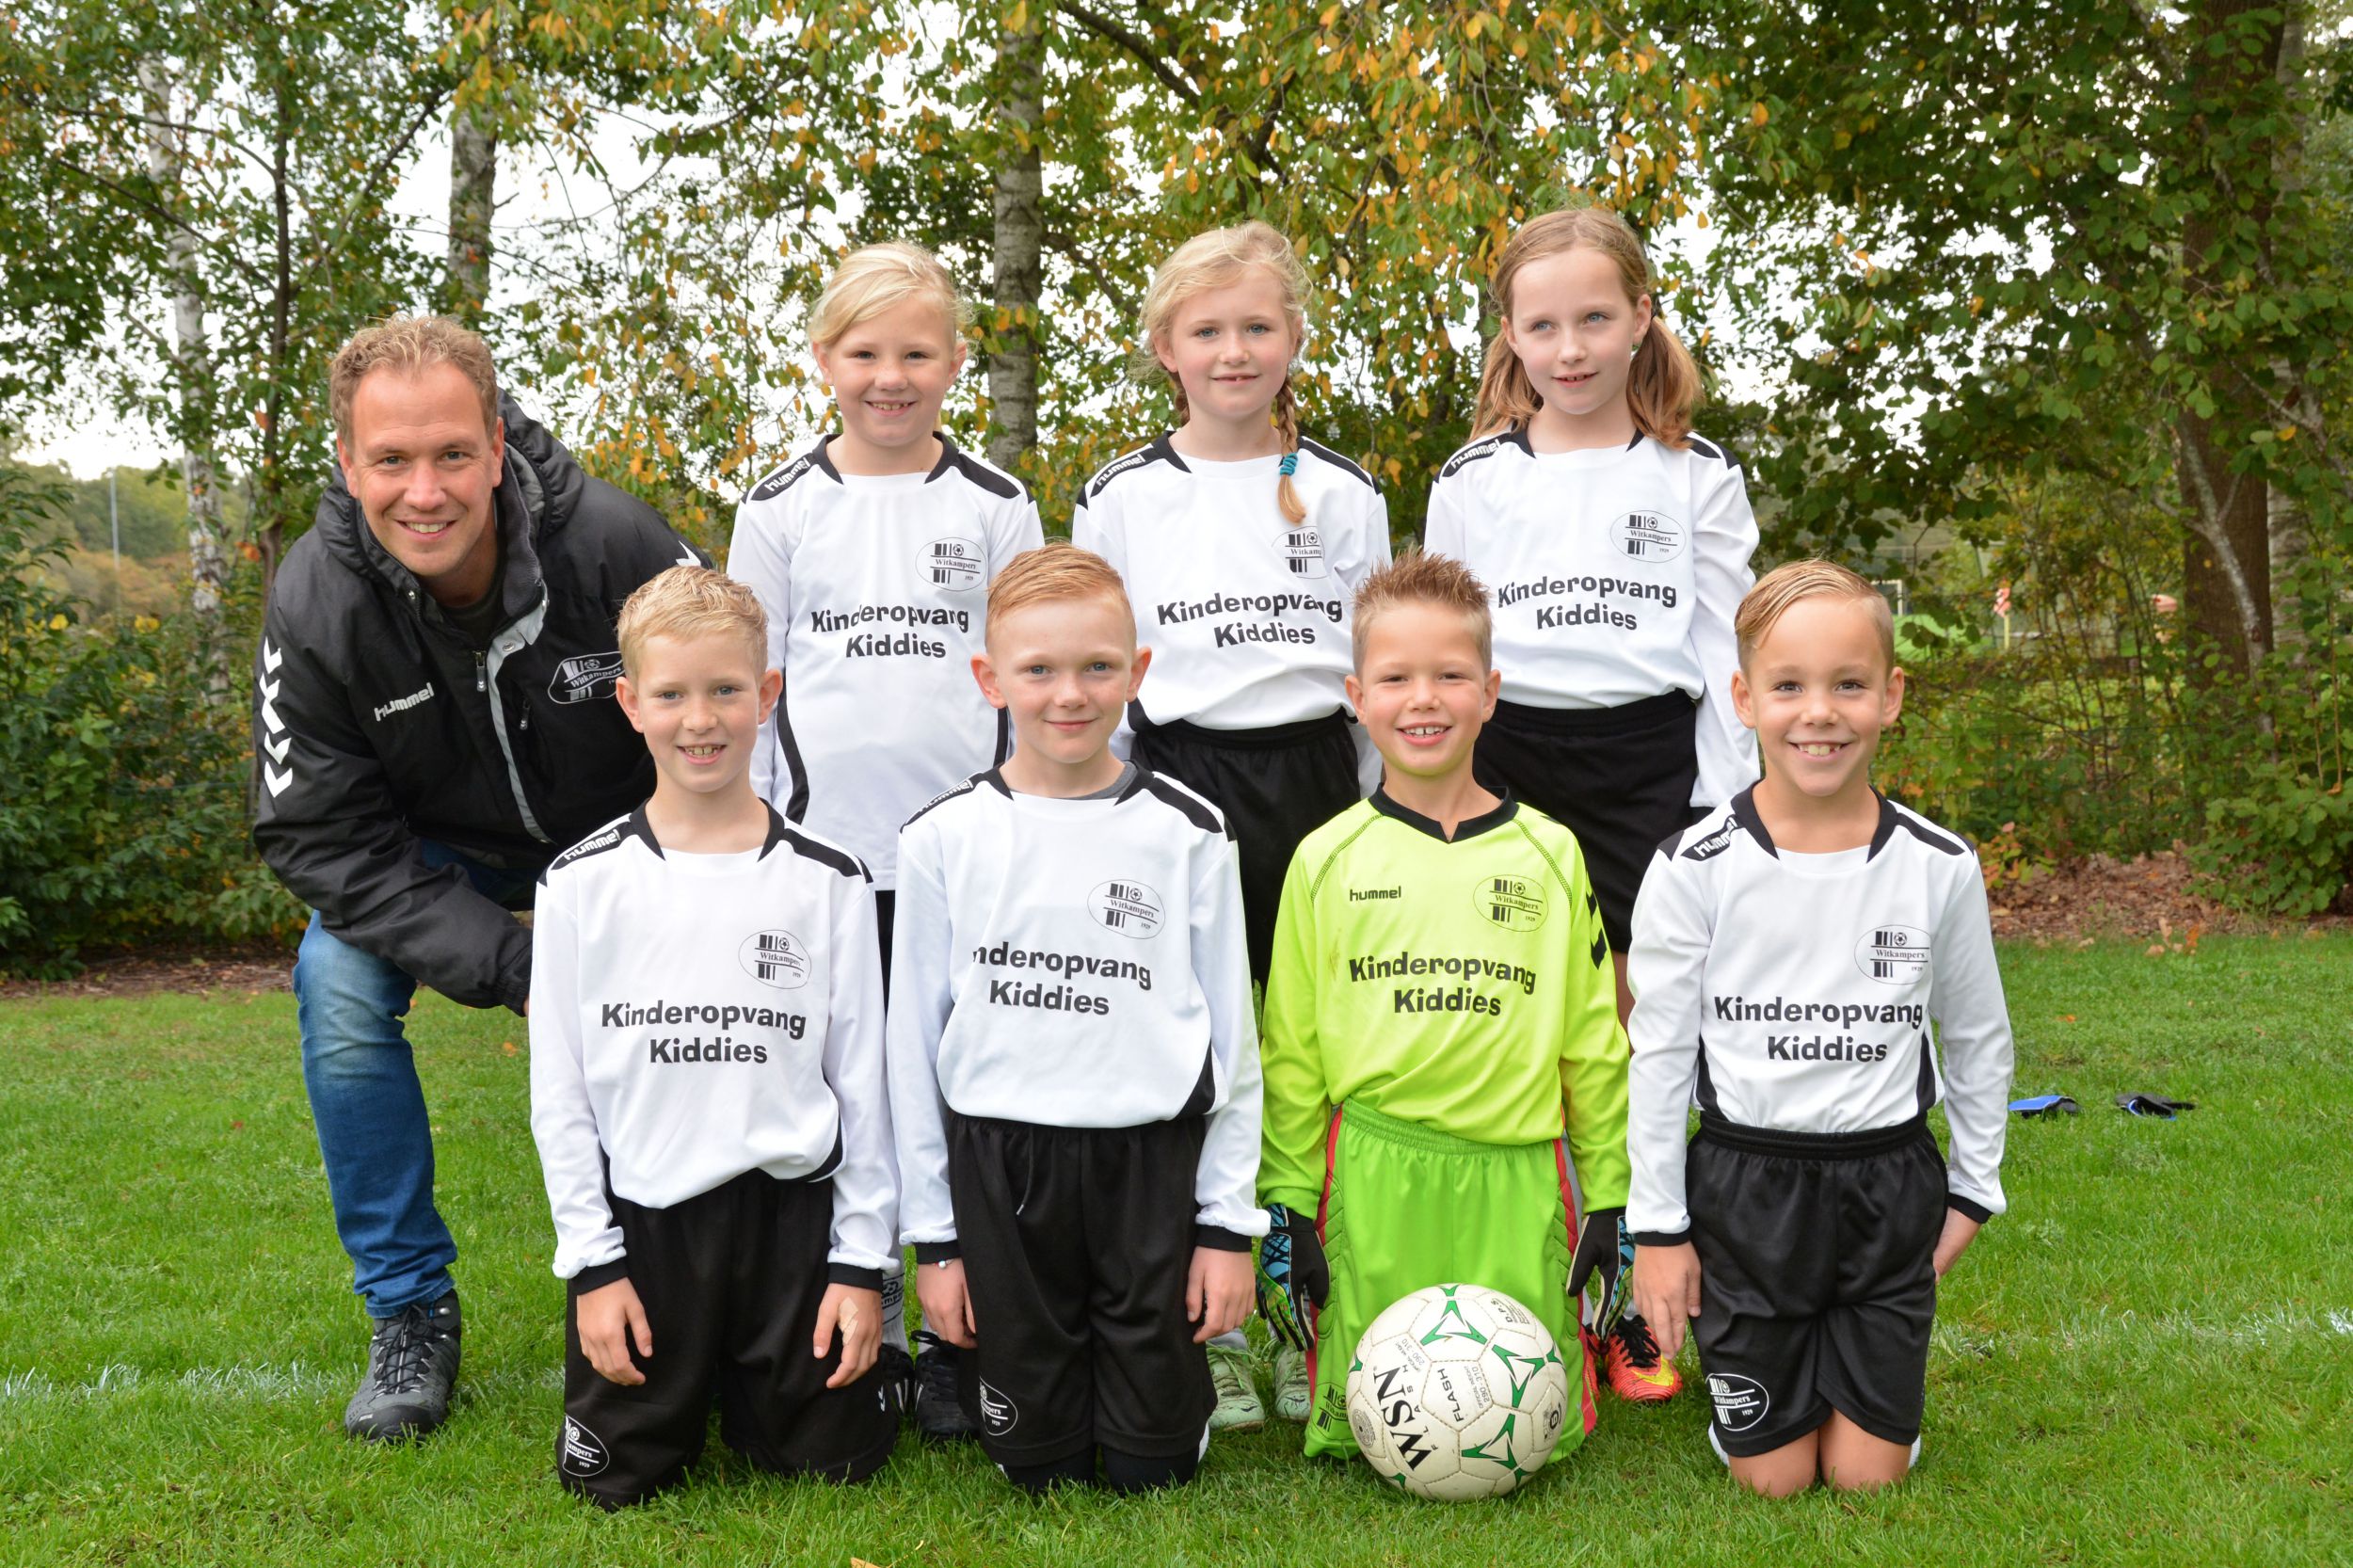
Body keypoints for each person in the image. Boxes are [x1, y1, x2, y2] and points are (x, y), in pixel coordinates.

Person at [250, 316, 707, 1442]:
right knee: (337, 987)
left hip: (623, 836)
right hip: (434, 853)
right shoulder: (315, 599)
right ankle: (408, 1307)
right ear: (347, 462)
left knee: (723, 977)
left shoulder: (616, 543)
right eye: (391, 460)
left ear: (498, 446)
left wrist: (692, 889)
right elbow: (321, 835)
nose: (426, 491)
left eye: (453, 453)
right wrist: (520, 966)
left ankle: (705, 1266)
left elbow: (730, 704)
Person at [1422, 203, 1760, 1404]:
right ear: (1510, 336)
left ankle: (1640, 1302)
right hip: (1512, 764)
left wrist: (1721, 813)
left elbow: (1723, 653)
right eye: (1543, 325)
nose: (1569, 349)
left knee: (1640, 1040)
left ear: (1640, 319)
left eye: (1594, 320)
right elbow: (1443, 652)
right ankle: (1528, 1287)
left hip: (1650, 774)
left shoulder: (1696, 473)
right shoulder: (1471, 478)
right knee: (1513, 1037)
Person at [1071, 219, 1390, 1429]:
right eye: (1207, 330)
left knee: (1317, 1060)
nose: (1234, 349)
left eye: (1258, 326)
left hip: (1318, 788)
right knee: (1190, 1056)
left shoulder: (1347, 492)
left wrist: (1377, 812)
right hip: (1178, 785)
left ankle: (1313, 1311)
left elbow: (1376, 673)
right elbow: (1098, 665)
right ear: (1167, 347)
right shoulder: (1121, 494)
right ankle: (1206, 1323)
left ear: (1294, 336)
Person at [728, 241, 1043, 1438]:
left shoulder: (996, 505)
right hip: (831, 860)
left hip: (963, 864)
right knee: (855, 1091)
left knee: (963, 1090)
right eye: (865, 352)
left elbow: (1031, 676)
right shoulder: (778, 509)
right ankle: (880, 1325)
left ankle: (966, 1331)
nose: (891, 376)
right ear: (824, 360)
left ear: (956, 361)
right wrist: (761, 844)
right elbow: (751, 689)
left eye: (916, 351)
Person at [1625, 561, 2014, 1496]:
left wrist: (1972, 1190)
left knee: (1864, 1478)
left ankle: (1860, 1381)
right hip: (1745, 1191)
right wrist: (1659, 1229)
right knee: (1774, 1481)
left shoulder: (1939, 865)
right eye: (1788, 686)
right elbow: (1659, 1057)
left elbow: (1977, 1037)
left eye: (1848, 684)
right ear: (1742, 699)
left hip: (1887, 1185)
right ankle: (1760, 1396)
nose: (1819, 714)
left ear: (1891, 696)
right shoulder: (1693, 867)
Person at [887, 541, 1263, 1496]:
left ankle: (1167, 1397)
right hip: (1004, 1168)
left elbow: (1233, 1044)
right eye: (1039, 670)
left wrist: (1226, 1229)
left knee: (1151, 1469)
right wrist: (938, 1244)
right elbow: (910, 1057)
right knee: (1036, 1469)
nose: (1070, 694)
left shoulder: (1189, 831)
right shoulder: (940, 838)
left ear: (1138, 672)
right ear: (990, 679)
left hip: (1147, 1165)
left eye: (1098, 667)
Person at [528, 568, 897, 1507]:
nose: (701, 719)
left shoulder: (830, 878)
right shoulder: (580, 884)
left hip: (791, 1226)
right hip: (649, 1227)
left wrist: (860, 1266)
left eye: (727, 689)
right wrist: (593, 1267)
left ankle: (873, 1348)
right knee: (613, 1483)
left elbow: (864, 1086)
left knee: (832, 1464)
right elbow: (561, 1096)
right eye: (672, 695)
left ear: (768, 694)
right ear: (630, 704)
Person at [1256, 552, 1628, 1465]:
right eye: (1395, 678)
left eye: (1451, 675)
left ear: (1490, 693)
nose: (1423, 699)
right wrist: (1289, 1201)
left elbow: (1593, 1041)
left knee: (1533, 1421)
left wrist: (1612, 1193)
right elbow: (1292, 1049)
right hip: (1373, 1176)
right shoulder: (1325, 858)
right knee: (1371, 1419)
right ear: (1356, 697)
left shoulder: (1550, 853)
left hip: (1518, 1174)